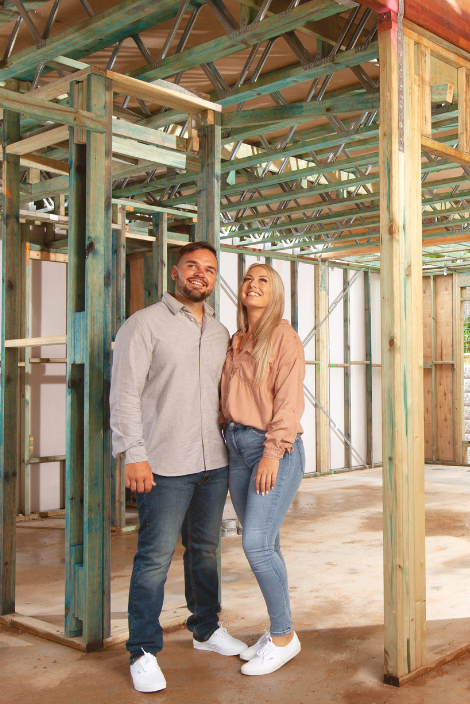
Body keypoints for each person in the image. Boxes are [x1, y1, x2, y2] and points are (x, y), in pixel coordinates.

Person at [110, 242, 249, 693]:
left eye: (209, 269)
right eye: (192, 266)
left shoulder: (220, 331)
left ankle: (206, 629)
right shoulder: (144, 325)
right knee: (153, 559)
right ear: (175, 272)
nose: (200, 274)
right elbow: (125, 394)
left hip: (214, 462)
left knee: (205, 552)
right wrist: (134, 454)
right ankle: (143, 649)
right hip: (163, 462)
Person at [220, 263, 307, 676]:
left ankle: (285, 636)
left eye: (263, 281)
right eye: (247, 279)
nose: (252, 285)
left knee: (254, 544)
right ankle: (278, 631)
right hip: (236, 448)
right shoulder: (237, 340)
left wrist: (272, 453)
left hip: (271, 449)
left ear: (276, 293)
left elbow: (289, 403)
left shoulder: (283, 338)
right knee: (267, 544)